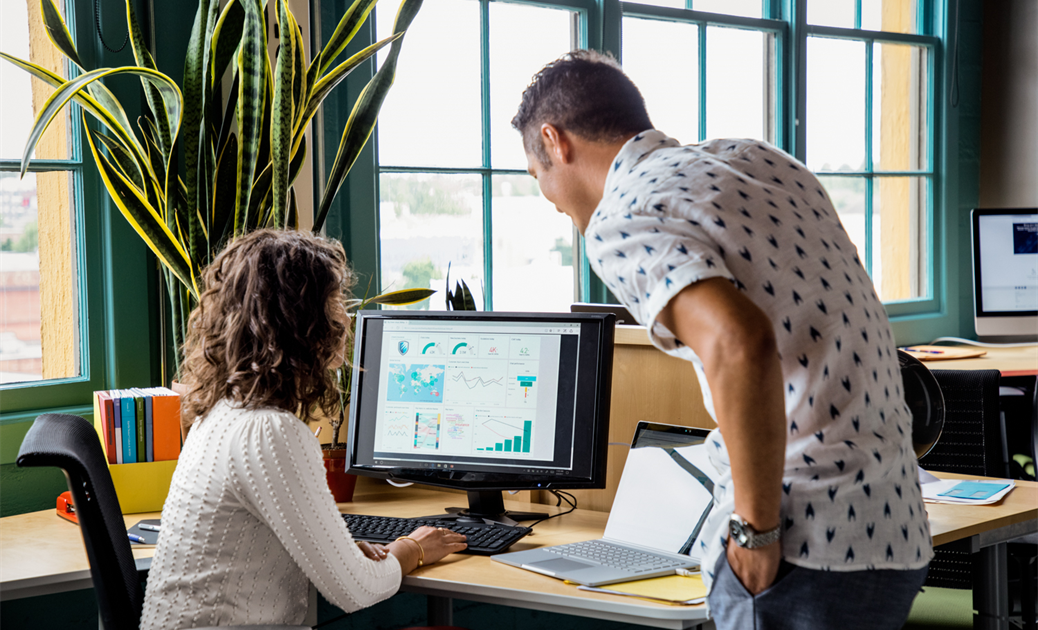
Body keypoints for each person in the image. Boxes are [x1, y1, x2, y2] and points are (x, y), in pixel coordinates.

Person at [512, 50, 932, 629]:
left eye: (538, 178)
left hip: (801, 544)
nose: (552, 200)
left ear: (555, 142)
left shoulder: (622, 214)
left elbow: (739, 343)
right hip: (893, 526)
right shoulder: (758, 162)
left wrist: (754, 535)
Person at [140, 230, 468, 630]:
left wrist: (342, 553)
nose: (346, 318)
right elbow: (357, 591)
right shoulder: (270, 433)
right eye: (333, 304)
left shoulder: (221, 413)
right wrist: (412, 548)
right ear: (299, 321)